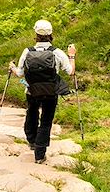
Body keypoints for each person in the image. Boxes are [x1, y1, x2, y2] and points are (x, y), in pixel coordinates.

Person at [9, 19, 76, 164]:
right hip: (51, 92)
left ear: (36, 34)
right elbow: (71, 72)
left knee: (32, 112)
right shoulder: (56, 52)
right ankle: (39, 154)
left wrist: (12, 67)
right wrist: (71, 55)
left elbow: (20, 74)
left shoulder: (27, 51)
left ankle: (32, 140)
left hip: (31, 90)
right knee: (46, 120)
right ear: (51, 34)